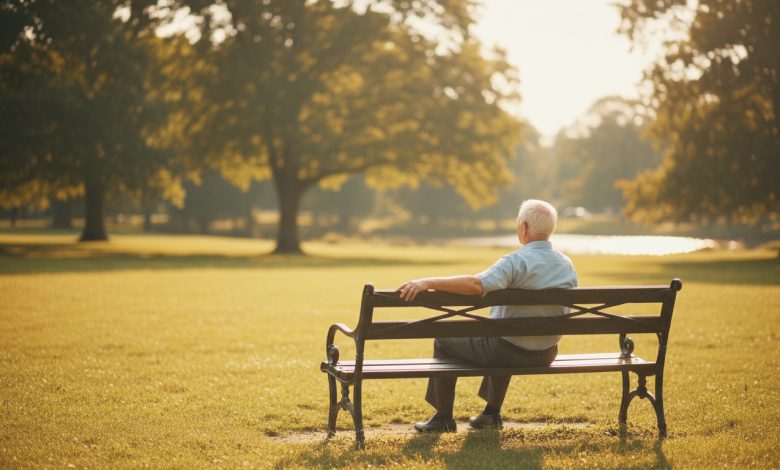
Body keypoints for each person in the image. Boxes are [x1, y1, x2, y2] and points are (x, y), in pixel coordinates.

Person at [396, 199, 578, 432]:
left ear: (523, 227)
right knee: (505, 338)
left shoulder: (516, 261)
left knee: (445, 339)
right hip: (545, 354)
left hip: (506, 352)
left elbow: (476, 285)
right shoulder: (566, 264)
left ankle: (442, 418)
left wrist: (427, 282)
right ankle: (490, 415)